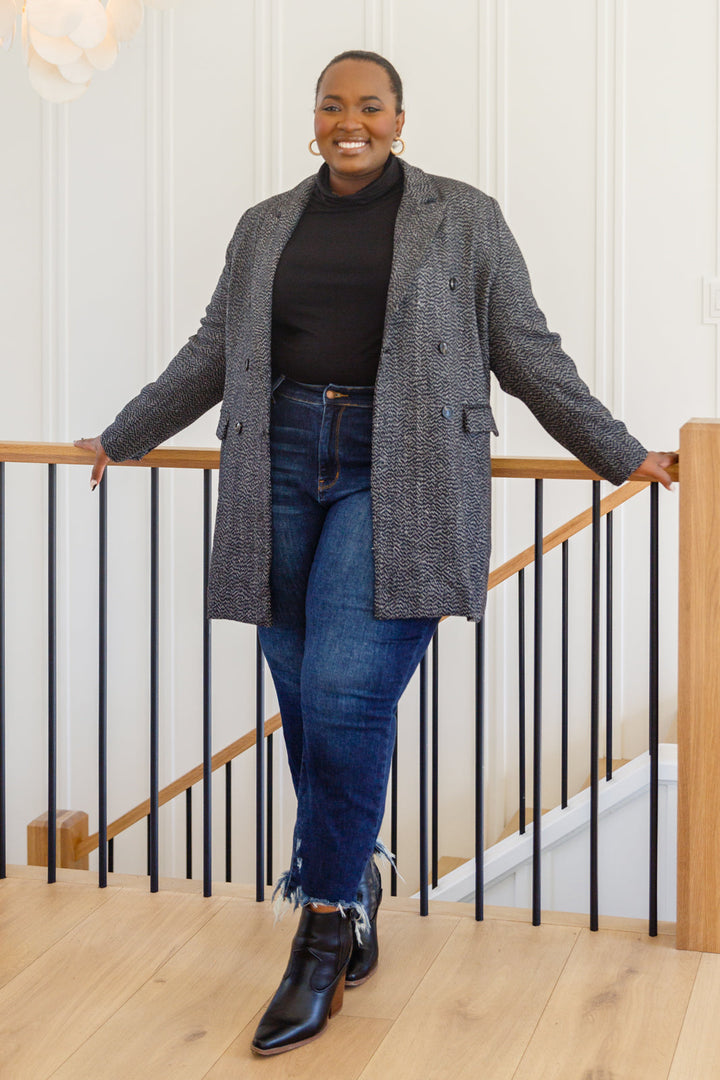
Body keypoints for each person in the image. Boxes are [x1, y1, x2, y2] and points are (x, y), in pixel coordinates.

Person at [75, 49, 677, 1057]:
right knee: (302, 687)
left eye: (369, 105)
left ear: (399, 118)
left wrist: (619, 452)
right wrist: (121, 435)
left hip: (403, 469)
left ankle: (321, 930)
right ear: (313, 119)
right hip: (277, 458)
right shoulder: (265, 224)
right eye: (332, 105)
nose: (348, 120)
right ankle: (352, 884)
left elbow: (526, 349)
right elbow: (216, 348)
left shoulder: (464, 217)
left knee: (346, 685)